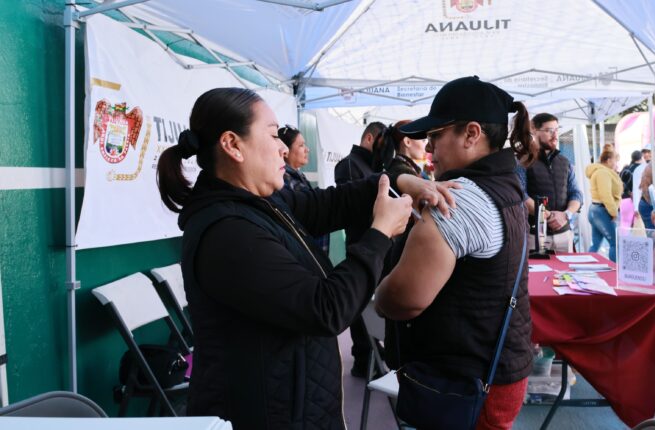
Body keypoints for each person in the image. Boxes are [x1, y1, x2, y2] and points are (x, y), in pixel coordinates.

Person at [155, 87, 454, 429]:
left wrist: (400, 181)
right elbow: (326, 309)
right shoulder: (228, 233)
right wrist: (380, 235)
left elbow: (329, 203)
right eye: (272, 135)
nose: (283, 147)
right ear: (232, 145)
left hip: (297, 404)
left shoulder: (262, 201)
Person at [375, 76, 535, 430]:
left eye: (435, 137)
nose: (429, 150)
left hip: (468, 383)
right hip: (498, 369)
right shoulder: (507, 184)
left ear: (472, 133)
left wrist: (378, 286)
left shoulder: (458, 201)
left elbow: (403, 299)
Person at [333, 121, 388, 377]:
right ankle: (363, 356)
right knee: (360, 303)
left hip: (377, 244)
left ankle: (373, 352)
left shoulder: (374, 166)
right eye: (381, 143)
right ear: (369, 138)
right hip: (361, 243)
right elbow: (351, 208)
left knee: (374, 302)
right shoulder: (348, 165)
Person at [518, 113, 583, 253]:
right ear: (534, 130)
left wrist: (566, 214)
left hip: (564, 234)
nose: (555, 136)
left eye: (556, 130)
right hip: (533, 237)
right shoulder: (522, 161)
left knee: (567, 274)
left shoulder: (564, 162)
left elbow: (576, 194)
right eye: (549, 131)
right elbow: (520, 194)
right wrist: (547, 216)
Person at [279, 124, 330, 254]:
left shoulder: (299, 176)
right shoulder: (283, 180)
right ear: (285, 151)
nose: (307, 149)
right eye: (301, 145)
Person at [586, 150, 623, 261]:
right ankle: (615, 271)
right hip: (602, 210)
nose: (616, 163)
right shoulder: (603, 173)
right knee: (615, 243)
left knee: (596, 244)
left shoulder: (600, 172)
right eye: (615, 160)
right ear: (608, 160)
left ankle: (585, 265)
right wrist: (614, 212)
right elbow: (605, 195)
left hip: (596, 210)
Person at [619, 150, 643, 228]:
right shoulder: (643, 169)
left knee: (625, 226)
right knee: (638, 228)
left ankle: (622, 240)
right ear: (641, 157)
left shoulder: (626, 169)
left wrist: (628, 192)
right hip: (638, 201)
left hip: (625, 200)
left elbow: (620, 184)